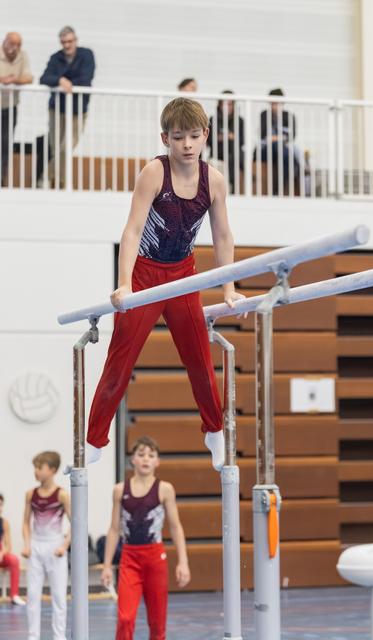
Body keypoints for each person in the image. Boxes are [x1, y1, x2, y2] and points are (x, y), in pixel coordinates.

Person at [85, 97, 244, 472]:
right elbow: (133, 229)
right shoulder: (154, 173)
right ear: (165, 139)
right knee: (120, 361)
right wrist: (125, 284)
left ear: (206, 135)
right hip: (145, 276)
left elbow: (223, 236)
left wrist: (228, 288)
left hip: (183, 276)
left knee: (200, 360)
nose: (186, 145)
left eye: (193, 136)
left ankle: (214, 430)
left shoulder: (214, 181)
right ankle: (94, 438)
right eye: (178, 138)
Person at [101, 436, 190, 639]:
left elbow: (175, 527)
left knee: (157, 623)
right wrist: (107, 565)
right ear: (133, 459)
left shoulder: (165, 489)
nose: (146, 459)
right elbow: (114, 529)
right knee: (125, 619)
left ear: (157, 462)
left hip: (155, 559)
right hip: (129, 558)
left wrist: (183, 562)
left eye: (151, 455)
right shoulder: (119, 490)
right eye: (141, 455)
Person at [22, 451, 71, 640]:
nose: (35, 471)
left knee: (58, 596)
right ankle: (33, 636)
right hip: (36, 546)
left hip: (55, 546)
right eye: (35, 467)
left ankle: (59, 636)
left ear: (52, 470)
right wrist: (27, 545)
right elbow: (25, 522)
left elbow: (76, 522)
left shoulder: (62, 495)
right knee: (33, 595)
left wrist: (64, 545)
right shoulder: (30, 494)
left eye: (39, 467)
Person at [39, 26, 95, 188]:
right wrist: (60, 80)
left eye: (70, 41)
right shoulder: (55, 58)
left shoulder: (86, 55)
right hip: (56, 109)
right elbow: (44, 78)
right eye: (64, 42)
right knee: (55, 147)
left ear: (75, 41)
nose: (67, 45)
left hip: (78, 110)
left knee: (66, 148)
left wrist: (65, 80)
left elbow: (86, 78)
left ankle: (46, 178)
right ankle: (60, 183)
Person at [0, 32, 32, 186]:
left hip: (10, 107)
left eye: (18, 45)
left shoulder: (22, 56)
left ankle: (1, 178)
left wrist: (14, 80)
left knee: (5, 144)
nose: (15, 48)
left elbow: (29, 77)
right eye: (12, 43)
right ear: (5, 42)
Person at [257, 87, 299, 194]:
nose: (275, 105)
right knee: (280, 149)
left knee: (285, 152)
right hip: (266, 150)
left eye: (277, 102)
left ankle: (279, 189)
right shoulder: (265, 114)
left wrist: (276, 138)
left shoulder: (289, 116)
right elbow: (263, 135)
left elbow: (292, 135)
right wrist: (280, 138)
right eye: (273, 102)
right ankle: (278, 189)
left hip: (282, 150)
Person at [207, 90, 244, 194]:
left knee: (233, 151)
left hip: (233, 153)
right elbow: (210, 140)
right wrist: (229, 136)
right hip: (218, 152)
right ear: (219, 104)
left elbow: (241, 141)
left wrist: (223, 137)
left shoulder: (239, 120)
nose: (226, 107)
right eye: (224, 104)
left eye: (229, 104)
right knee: (232, 148)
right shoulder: (213, 119)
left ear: (233, 105)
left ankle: (233, 187)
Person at [0, 493, 26, 605]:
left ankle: (14, 595)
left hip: (1, 553)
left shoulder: (4, 523)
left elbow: (8, 545)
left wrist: (1, 553)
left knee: (14, 560)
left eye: (0, 505)